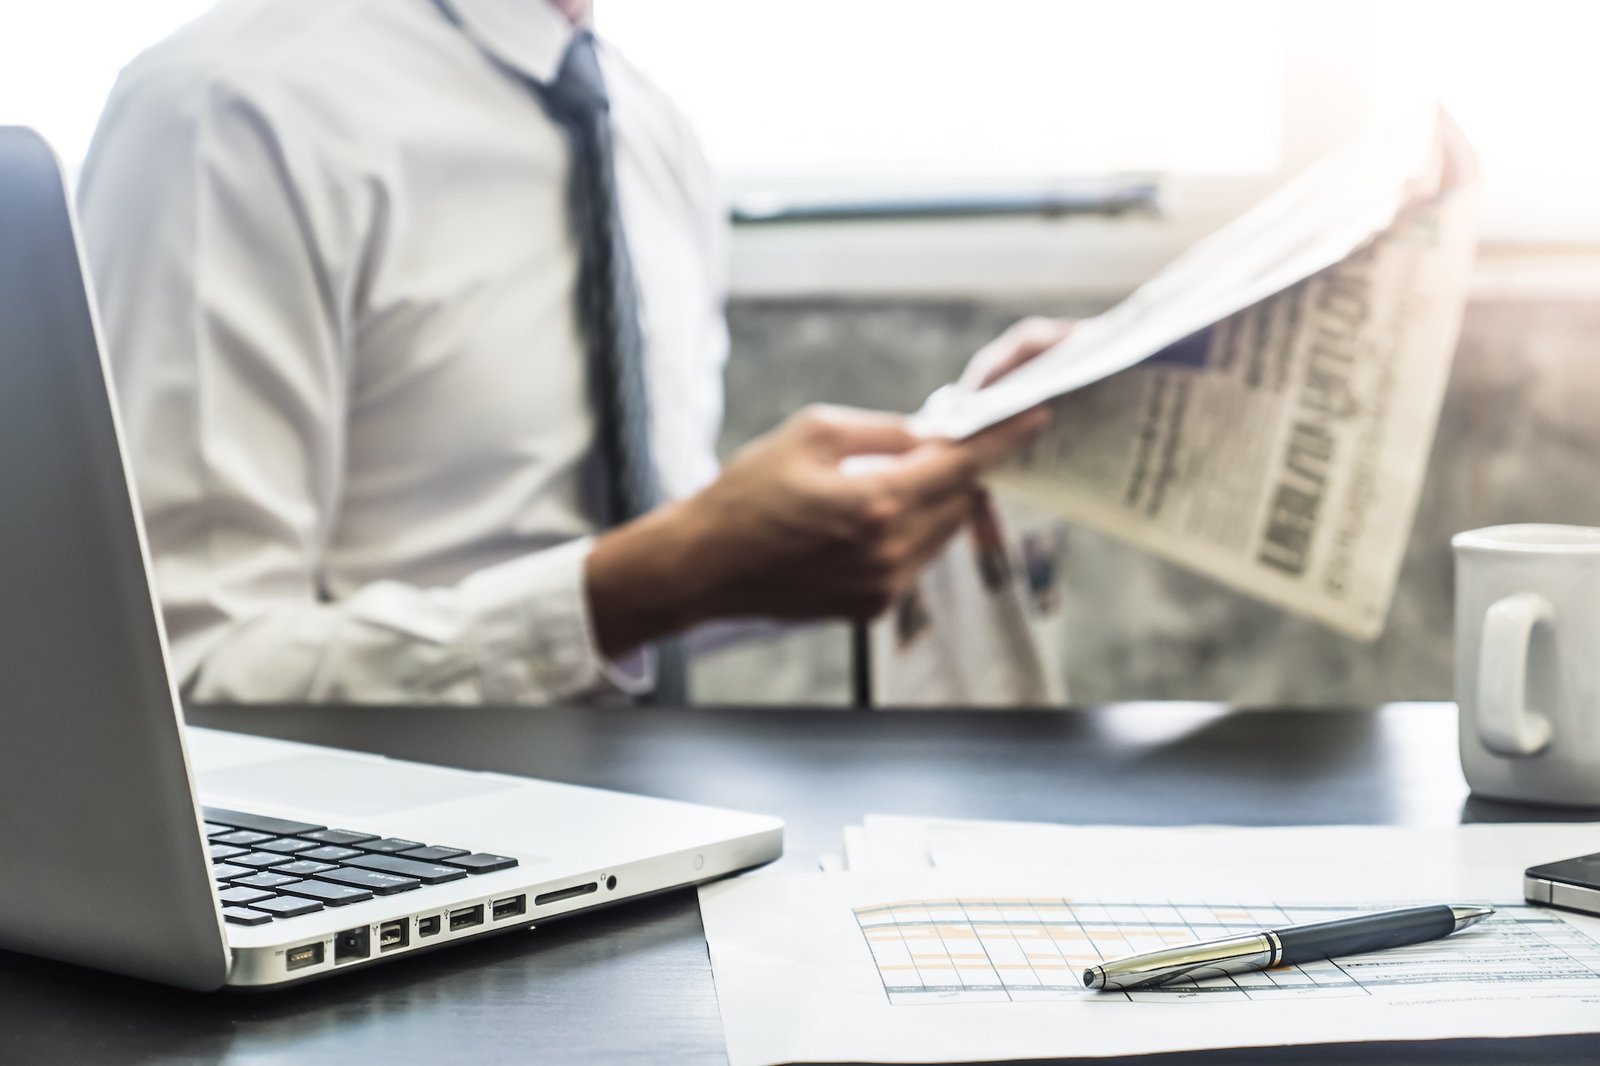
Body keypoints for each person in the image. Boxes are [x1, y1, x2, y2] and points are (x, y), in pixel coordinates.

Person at [78, 0, 1065, 704]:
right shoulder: (228, 109)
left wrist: (915, 473)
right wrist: (650, 581)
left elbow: (640, 569)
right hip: (376, 878)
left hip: (647, 839)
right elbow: (184, 682)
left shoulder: (650, 131)